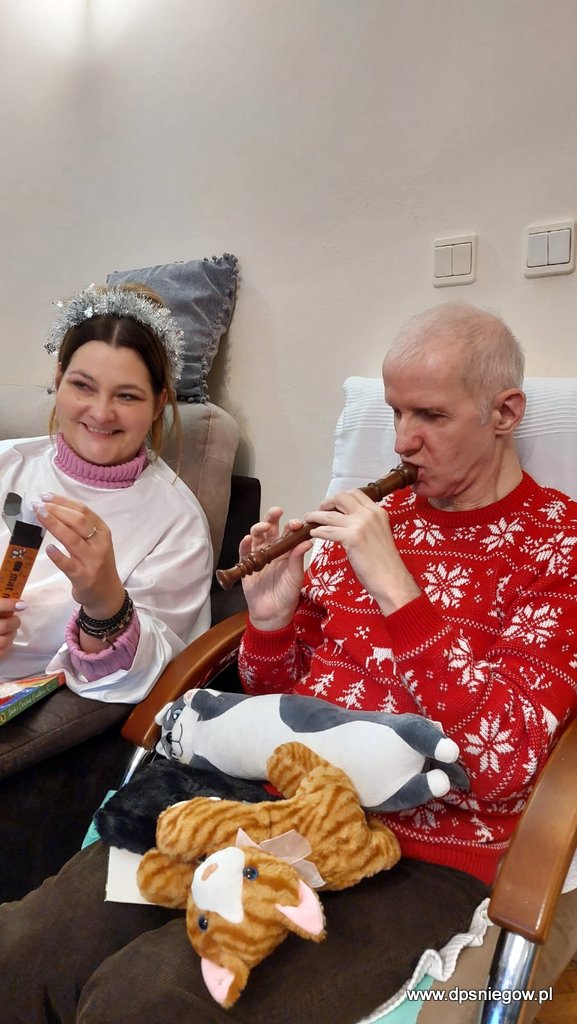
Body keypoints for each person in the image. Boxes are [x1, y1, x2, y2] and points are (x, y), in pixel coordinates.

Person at [1, 302, 576, 1024]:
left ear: (504, 413)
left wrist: (397, 591)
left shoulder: (557, 548)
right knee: (26, 952)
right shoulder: (366, 524)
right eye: (395, 412)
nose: (403, 440)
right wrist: (271, 625)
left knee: (151, 998)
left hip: (416, 850)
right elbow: (280, 699)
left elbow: (502, 763)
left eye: (430, 416)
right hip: (261, 801)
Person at [0, 283, 212, 702]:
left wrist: (106, 605)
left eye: (127, 396)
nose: (100, 413)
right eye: (83, 386)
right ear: (58, 379)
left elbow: (145, 674)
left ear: (158, 404)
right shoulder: (8, 463)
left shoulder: (177, 522)